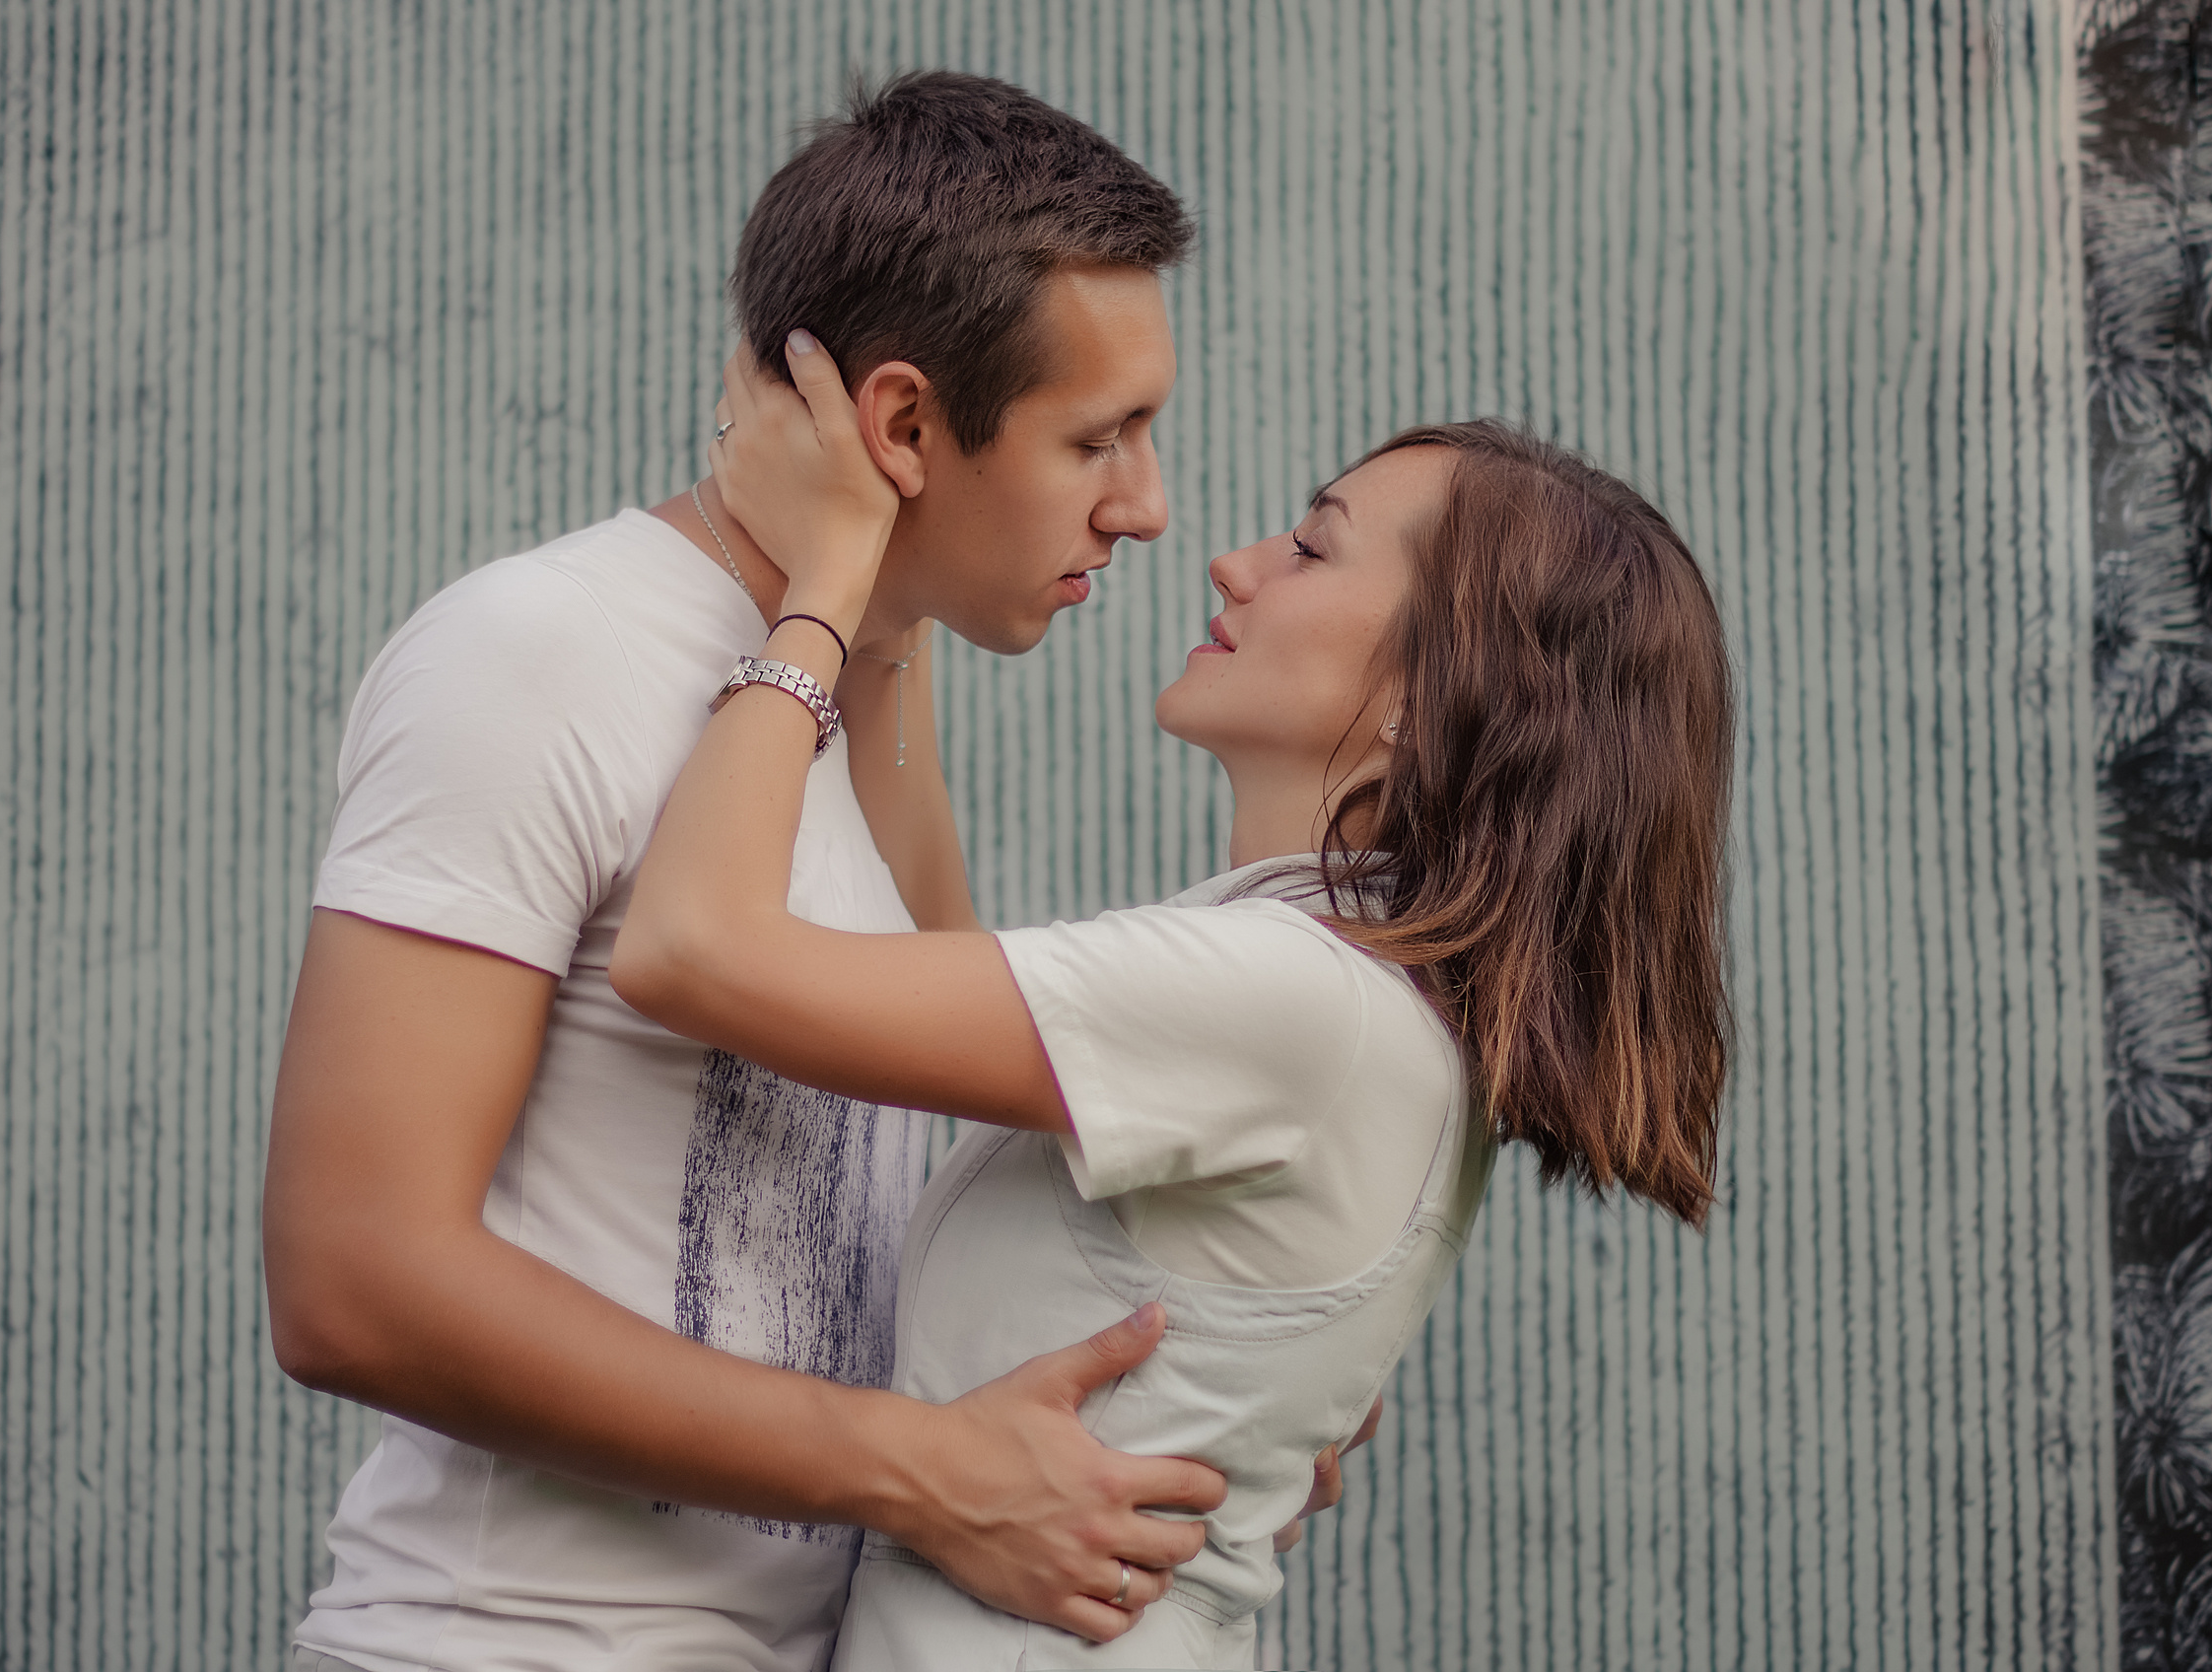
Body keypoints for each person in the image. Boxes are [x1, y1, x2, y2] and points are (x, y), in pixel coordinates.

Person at [265, 72, 1265, 1672]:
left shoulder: (853, 691)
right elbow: (350, 1281)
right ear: (901, 425)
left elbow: (985, 1133)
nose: (1148, 509)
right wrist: (926, 1474)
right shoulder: (535, 654)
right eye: (1103, 437)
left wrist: (1248, 1394)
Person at [610, 338, 1737, 1667]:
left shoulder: (1295, 1006)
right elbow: (943, 946)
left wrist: (822, 589)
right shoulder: (1343, 995)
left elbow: (689, 950)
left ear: (1433, 699)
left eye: (1313, 548)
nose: (1234, 562)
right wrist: (894, 581)